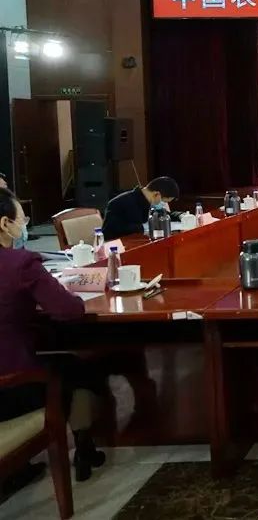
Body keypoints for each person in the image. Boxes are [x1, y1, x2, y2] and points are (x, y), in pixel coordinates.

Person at [0, 188, 106, 486]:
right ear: (4, 224)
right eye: (22, 220)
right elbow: (68, 310)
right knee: (80, 370)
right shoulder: (20, 264)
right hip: (10, 388)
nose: (24, 226)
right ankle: (84, 448)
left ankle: (18, 469)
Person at [102, 176, 179, 240]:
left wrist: (180, 215)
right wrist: (142, 228)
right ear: (157, 194)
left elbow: (163, 213)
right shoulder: (125, 202)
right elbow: (111, 231)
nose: (163, 204)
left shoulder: (147, 200)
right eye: (164, 201)